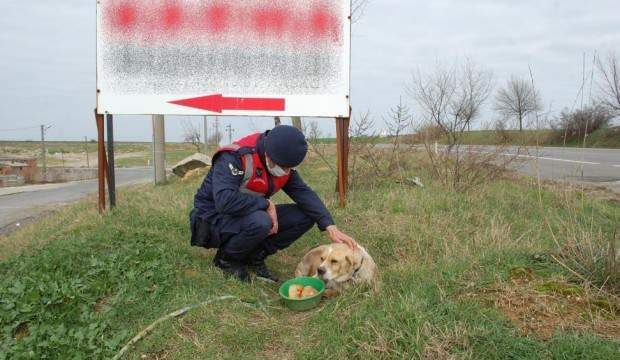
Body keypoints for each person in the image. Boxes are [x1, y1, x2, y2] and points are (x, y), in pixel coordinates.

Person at [189, 125, 358, 282]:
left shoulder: (281, 163)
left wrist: (330, 225)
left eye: (289, 168)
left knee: (306, 215)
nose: (285, 172)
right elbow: (224, 201)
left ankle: (254, 256)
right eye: (283, 167)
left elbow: (304, 194)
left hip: (246, 214)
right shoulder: (235, 157)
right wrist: (266, 204)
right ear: (268, 154)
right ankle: (227, 260)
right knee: (262, 221)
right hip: (212, 218)